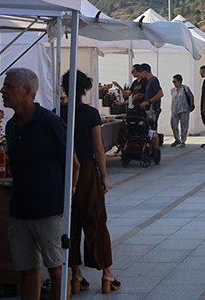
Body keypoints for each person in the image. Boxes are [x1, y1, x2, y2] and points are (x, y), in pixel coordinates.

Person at [0, 67, 78, 300]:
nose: (2, 91)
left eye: (9, 86)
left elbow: (74, 164)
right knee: (26, 270)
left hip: (48, 210)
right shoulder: (12, 126)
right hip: (20, 210)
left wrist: (67, 198)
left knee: (55, 270)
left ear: (27, 91)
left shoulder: (49, 122)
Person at [60, 71, 119, 294]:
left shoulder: (58, 113)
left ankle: (76, 276)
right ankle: (107, 274)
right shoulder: (90, 113)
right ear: (85, 89)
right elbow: (98, 148)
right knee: (96, 221)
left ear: (64, 88)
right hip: (86, 170)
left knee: (71, 223)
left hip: (65, 170)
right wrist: (103, 176)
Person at [130, 63, 164, 133]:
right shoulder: (149, 81)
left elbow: (160, 94)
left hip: (153, 109)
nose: (140, 74)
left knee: (152, 130)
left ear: (144, 72)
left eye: (141, 72)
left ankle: (155, 143)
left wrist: (148, 102)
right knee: (148, 129)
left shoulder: (153, 80)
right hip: (149, 109)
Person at [169, 74, 195, 147]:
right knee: (173, 125)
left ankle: (183, 140)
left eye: (175, 81)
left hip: (184, 109)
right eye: (173, 81)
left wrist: (191, 105)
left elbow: (191, 96)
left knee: (184, 125)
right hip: (174, 110)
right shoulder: (172, 90)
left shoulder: (185, 88)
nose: (173, 83)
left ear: (179, 81)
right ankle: (177, 139)